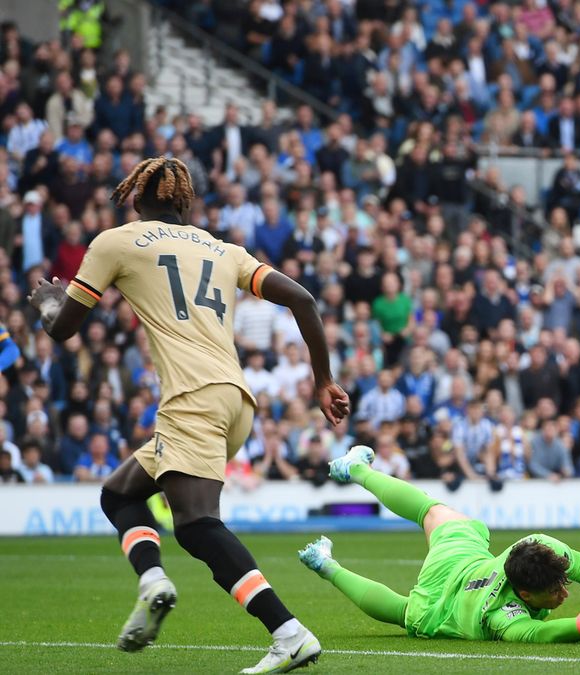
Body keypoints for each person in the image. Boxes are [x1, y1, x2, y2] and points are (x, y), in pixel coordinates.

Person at [27, 156, 350, 673]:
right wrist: (323, 380)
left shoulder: (117, 240)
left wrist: (47, 301)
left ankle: (288, 633)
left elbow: (63, 328)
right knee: (120, 493)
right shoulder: (224, 250)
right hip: (235, 400)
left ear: (134, 196)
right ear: (186, 200)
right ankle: (153, 580)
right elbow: (304, 300)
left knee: (198, 526)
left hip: (192, 399)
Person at [298, 445, 580, 642]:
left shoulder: (540, 548)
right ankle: (325, 566)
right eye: (555, 592)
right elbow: (537, 635)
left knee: (432, 511)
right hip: (440, 605)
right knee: (404, 612)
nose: (565, 594)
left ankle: (356, 470)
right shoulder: (500, 615)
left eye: (563, 584)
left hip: (461, 562)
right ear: (524, 595)